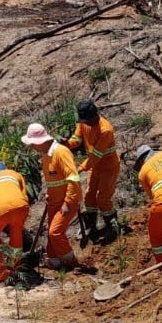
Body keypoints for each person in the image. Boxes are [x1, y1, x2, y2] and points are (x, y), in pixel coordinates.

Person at [21, 122, 81, 270]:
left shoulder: (61, 153)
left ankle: (71, 262)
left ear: (40, 142)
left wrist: (67, 202)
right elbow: (54, 179)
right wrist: (49, 194)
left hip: (67, 202)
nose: (32, 148)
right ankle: (54, 262)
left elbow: (73, 179)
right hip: (54, 202)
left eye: (33, 144)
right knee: (51, 234)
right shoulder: (45, 156)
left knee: (55, 232)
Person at [65, 99, 120, 243]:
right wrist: (66, 143)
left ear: (94, 115)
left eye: (87, 120)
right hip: (95, 167)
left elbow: (96, 155)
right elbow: (76, 139)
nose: (85, 123)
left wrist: (80, 168)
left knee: (103, 198)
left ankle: (112, 226)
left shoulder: (105, 129)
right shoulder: (83, 123)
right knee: (89, 197)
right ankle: (91, 225)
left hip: (108, 167)